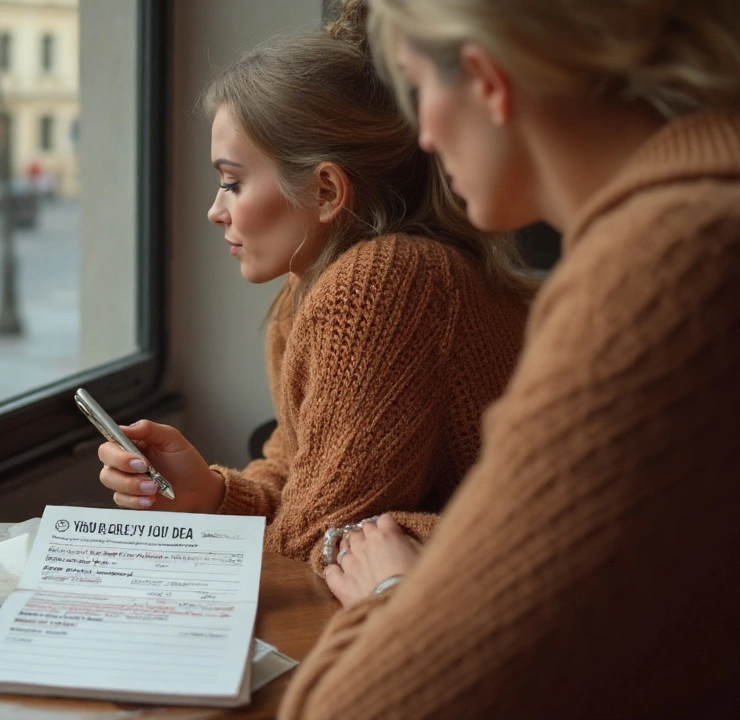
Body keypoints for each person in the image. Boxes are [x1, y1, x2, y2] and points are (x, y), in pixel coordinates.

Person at [279, 0, 740, 717]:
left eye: (416, 89)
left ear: (484, 78)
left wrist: (392, 592)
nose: (424, 136)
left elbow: (359, 710)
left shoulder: (670, 265)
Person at [95, 3, 534, 585]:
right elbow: (300, 480)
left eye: (232, 181)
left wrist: (331, 533)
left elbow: (312, 540)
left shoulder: (387, 283)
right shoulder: (308, 288)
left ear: (326, 189)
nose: (214, 209)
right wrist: (210, 492)